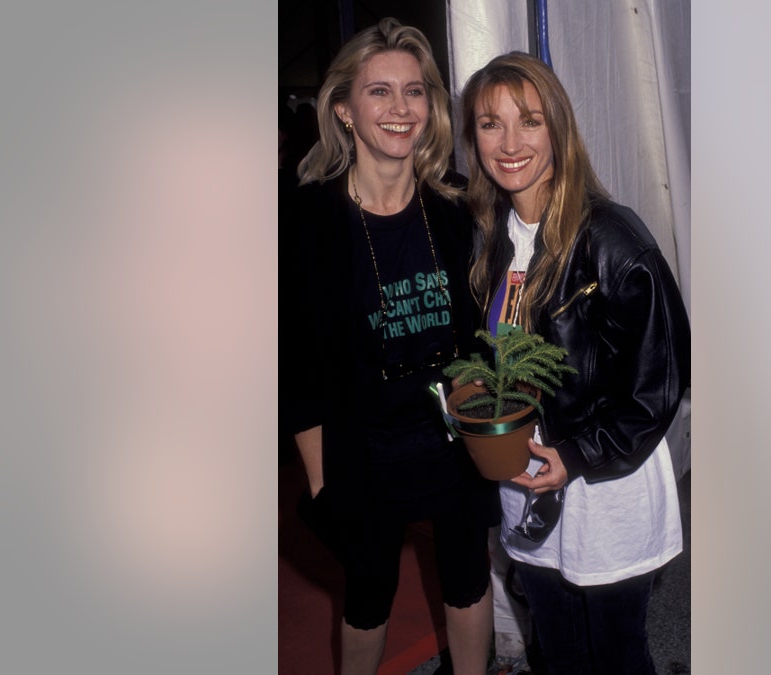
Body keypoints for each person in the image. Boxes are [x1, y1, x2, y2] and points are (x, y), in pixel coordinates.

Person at [459, 52, 690, 674]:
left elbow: (660, 385)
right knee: (556, 653)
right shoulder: (490, 237)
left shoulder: (613, 238)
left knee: (616, 657)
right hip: (527, 484)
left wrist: (581, 454)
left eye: (528, 121)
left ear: (558, 128)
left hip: (605, 487)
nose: (509, 143)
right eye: (489, 124)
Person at [283, 18, 498, 675]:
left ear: (431, 108)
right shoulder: (309, 219)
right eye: (379, 92)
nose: (400, 109)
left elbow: (488, 328)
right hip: (363, 440)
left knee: (468, 575)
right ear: (344, 110)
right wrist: (321, 481)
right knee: (369, 596)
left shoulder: (458, 208)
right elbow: (295, 362)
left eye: (414, 91)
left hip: (453, 428)